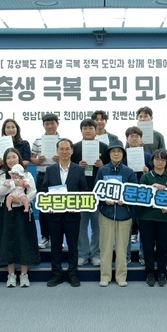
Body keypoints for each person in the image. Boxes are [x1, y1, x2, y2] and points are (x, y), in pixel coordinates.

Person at [42, 138, 89, 287]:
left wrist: (77, 205)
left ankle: (72, 274)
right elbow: (44, 190)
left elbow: (84, 191)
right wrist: (48, 205)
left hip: (72, 215)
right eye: (61, 149)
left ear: (72, 151)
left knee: (73, 246)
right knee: (55, 246)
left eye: (67, 149)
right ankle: (56, 274)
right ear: (57, 151)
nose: (64, 152)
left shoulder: (78, 169)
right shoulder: (50, 170)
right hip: (53, 215)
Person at [0, 148, 40, 287]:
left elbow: (32, 191)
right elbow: (0, 191)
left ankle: (24, 275)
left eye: (14, 157)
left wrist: (20, 201)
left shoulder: (27, 174)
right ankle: (11, 275)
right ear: (4, 160)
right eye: (8, 158)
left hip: (23, 211)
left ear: (19, 158)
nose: (11, 160)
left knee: (24, 240)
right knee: (8, 241)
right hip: (6, 212)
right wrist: (14, 183)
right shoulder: (1, 175)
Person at [95, 142, 137, 287]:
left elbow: (134, 192)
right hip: (106, 213)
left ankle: (121, 276)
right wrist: (104, 200)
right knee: (105, 247)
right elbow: (97, 191)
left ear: (123, 154)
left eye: (119, 151)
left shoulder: (129, 172)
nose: (116, 154)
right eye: (113, 151)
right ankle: (105, 276)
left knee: (122, 248)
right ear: (109, 154)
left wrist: (125, 200)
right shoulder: (102, 170)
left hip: (124, 213)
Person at [72, 118, 110, 266]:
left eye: (90, 128)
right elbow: (69, 168)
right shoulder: (74, 147)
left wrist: (103, 165)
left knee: (97, 225)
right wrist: (77, 166)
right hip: (80, 192)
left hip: (98, 192)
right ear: (81, 131)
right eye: (85, 128)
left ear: (96, 130)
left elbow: (110, 169)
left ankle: (96, 254)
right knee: (81, 225)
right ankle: (82, 253)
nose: (88, 131)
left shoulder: (104, 147)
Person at [138, 149, 167, 287]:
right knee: (148, 247)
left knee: (162, 248)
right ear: (152, 161)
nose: (160, 162)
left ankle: (162, 272)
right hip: (147, 217)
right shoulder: (146, 177)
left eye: (163, 159)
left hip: (165, 219)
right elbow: (140, 197)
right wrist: (152, 187)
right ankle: (149, 272)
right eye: (157, 159)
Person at [122, 125, 152, 265]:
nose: (134, 139)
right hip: (127, 195)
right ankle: (126, 255)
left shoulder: (148, 157)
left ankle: (143, 255)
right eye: (131, 136)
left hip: (143, 196)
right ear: (127, 139)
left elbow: (153, 177)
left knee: (144, 228)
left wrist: (147, 172)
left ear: (141, 139)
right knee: (126, 228)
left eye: (137, 136)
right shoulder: (122, 156)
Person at [30, 113, 60, 249]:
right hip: (43, 176)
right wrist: (37, 160)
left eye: (52, 123)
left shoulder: (62, 140)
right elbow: (32, 158)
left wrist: (61, 159)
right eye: (47, 124)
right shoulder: (38, 140)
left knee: (59, 207)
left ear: (57, 124)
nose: (50, 126)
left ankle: (58, 238)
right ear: (43, 125)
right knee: (44, 207)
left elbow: (69, 157)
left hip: (59, 176)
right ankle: (45, 237)